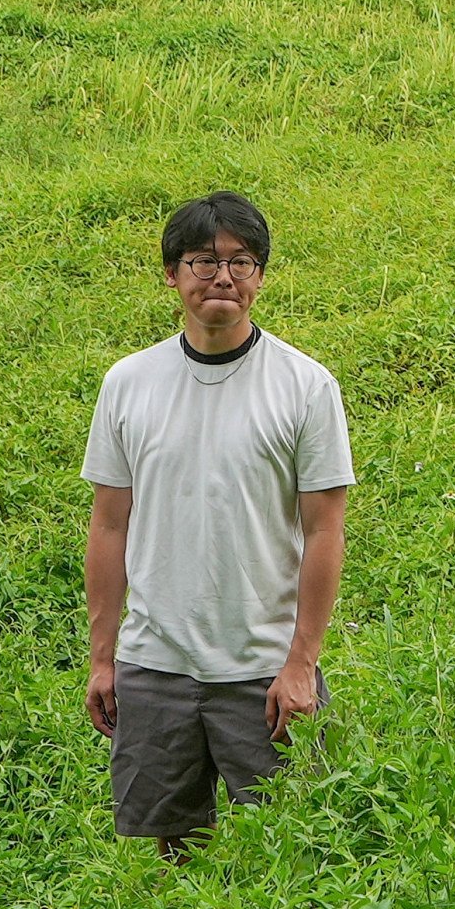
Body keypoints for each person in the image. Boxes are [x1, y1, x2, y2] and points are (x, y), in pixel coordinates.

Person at [83, 192, 353, 855]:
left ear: (261, 276)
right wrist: (102, 656)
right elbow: (108, 525)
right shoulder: (129, 383)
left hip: (263, 669)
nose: (222, 276)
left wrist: (300, 663)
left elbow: (324, 532)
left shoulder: (305, 386)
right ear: (171, 274)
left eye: (241, 260)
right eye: (202, 260)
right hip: (155, 664)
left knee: (293, 847)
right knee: (173, 850)